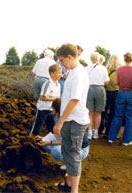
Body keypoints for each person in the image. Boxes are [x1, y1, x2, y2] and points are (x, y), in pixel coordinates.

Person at [53, 43, 90, 193]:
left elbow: (74, 100)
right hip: (71, 119)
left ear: (69, 57)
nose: (61, 64)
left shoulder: (79, 74)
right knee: (67, 151)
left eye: (61, 60)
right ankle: (69, 184)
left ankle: (74, 190)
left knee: (73, 154)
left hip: (75, 121)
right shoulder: (74, 72)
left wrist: (60, 121)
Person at [108, 52, 132, 146]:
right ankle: (126, 140)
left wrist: (121, 83)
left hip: (121, 92)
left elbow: (114, 82)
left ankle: (111, 138)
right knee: (131, 117)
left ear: (124, 59)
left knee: (118, 115)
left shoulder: (119, 69)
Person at [29, 64, 62, 137]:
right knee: (36, 129)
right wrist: (55, 99)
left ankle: (51, 143)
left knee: (52, 129)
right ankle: (29, 141)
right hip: (42, 109)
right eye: (58, 72)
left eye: (61, 72)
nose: (60, 74)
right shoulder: (47, 84)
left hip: (51, 110)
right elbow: (42, 97)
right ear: (52, 73)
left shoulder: (58, 85)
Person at [86, 53, 109, 139]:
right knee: (98, 113)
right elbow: (106, 82)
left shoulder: (86, 68)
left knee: (89, 113)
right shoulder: (103, 68)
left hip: (89, 89)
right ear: (99, 59)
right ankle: (95, 133)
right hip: (100, 89)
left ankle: (89, 132)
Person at [99, 55, 122, 136]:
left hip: (106, 92)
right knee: (113, 112)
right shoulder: (119, 70)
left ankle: (100, 129)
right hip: (116, 92)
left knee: (103, 111)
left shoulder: (106, 69)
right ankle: (109, 131)